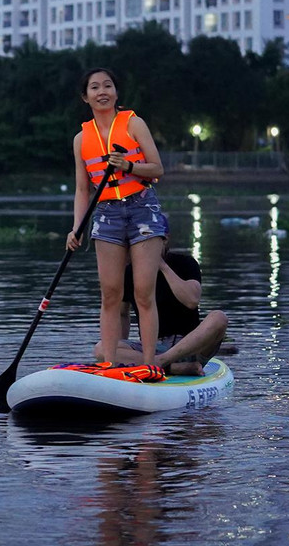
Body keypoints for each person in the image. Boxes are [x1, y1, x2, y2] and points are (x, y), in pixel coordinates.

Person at [66, 67, 169, 365]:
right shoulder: (80, 140)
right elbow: (82, 190)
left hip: (142, 208)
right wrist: (77, 228)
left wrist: (128, 166)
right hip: (107, 214)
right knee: (110, 294)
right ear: (85, 97)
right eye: (95, 88)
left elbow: (157, 168)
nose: (102, 92)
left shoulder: (134, 124)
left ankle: (150, 363)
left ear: (116, 92)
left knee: (143, 293)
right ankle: (108, 365)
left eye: (108, 86)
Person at [95, 249, 230, 375]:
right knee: (102, 348)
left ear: (164, 241)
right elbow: (122, 314)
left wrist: (162, 266)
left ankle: (161, 362)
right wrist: (122, 352)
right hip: (153, 349)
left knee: (219, 317)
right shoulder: (130, 272)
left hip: (190, 346)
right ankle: (172, 368)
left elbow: (192, 300)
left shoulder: (185, 263)